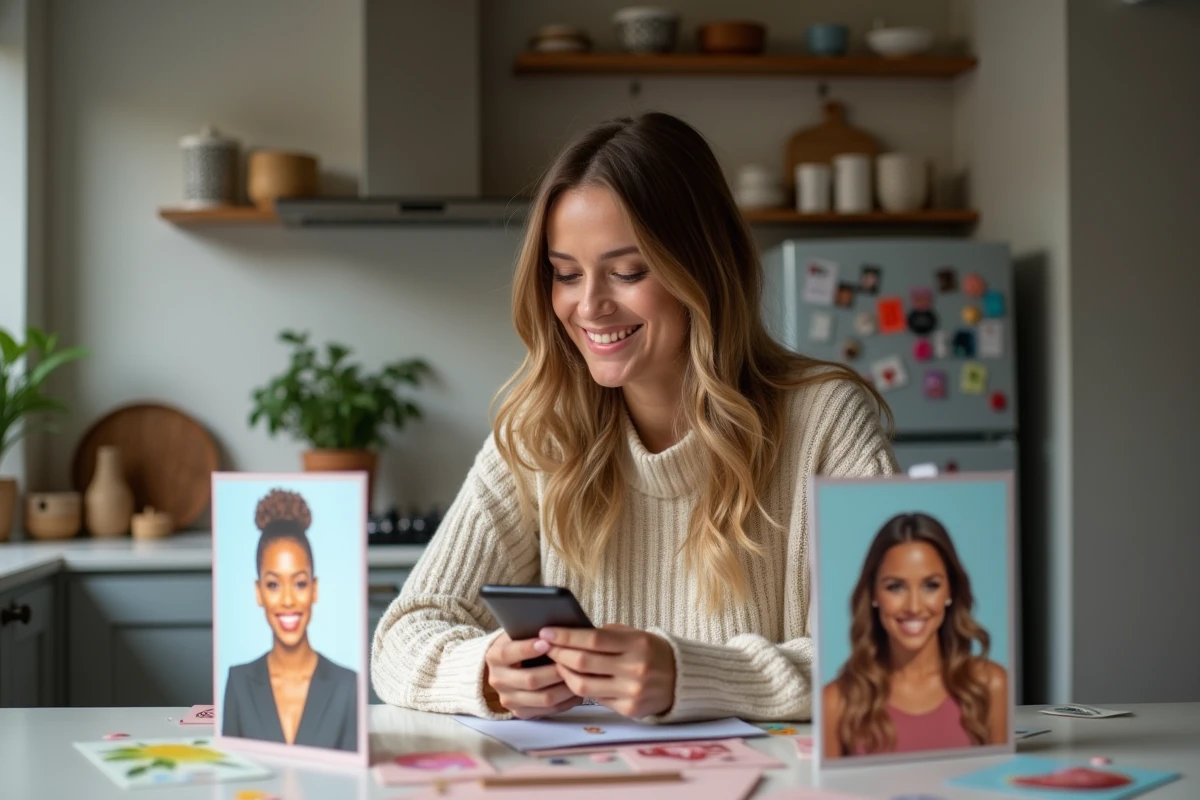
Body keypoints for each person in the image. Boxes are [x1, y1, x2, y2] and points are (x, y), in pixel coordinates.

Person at [370, 111, 899, 723]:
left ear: (700, 266)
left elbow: (890, 657)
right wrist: (488, 671)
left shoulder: (828, 421)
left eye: (627, 272)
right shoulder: (542, 433)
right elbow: (399, 638)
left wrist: (689, 676)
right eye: (566, 274)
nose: (589, 305)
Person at [822, 512, 1008, 757]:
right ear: (874, 594)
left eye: (931, 585)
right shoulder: (836, 701)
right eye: (895, 587)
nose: (914, 606)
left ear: (950, 591)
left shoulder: (990, 685)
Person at [222, 488, 359, 751]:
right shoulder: (239, 682)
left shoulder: (347, 685)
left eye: (299, 583)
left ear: (314, 589)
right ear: (258, 592)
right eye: (273, 585)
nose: (287, 600)